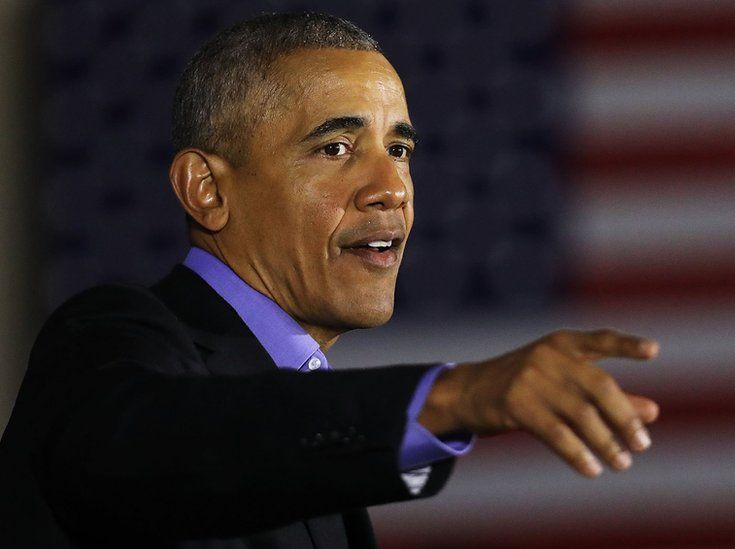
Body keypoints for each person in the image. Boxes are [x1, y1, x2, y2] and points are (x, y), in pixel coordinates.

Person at [0, 12, 660, 548]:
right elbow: (156, 447)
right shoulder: (112, 337)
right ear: (206, 190)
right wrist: (451, 397)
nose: (391, 188)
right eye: (335, 148)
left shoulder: (308, 420)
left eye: (399, 149)